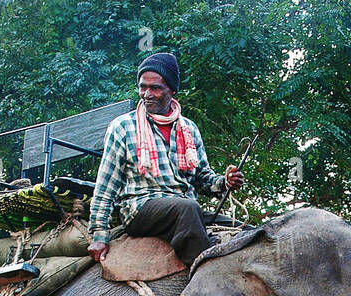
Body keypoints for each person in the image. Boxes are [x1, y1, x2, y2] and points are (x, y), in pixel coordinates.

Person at [87, 52, 245, 267]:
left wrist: (225, 181)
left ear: (172, 91)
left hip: (186, 211)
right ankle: (205, 272)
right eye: (143, 87)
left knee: (245, 230)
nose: (147, 94)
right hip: (142, 209)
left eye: (155, 88)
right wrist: (99, 234)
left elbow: (202, 177)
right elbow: (106, 186)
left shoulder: (188, 129)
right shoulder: (123, 126)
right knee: (187, 208)